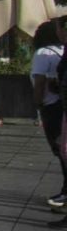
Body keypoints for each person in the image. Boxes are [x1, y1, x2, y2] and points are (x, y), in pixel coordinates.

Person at [33, 19, 66, 210]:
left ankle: (65, 190)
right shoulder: (62, 51)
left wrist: (38, 104)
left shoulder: (43, 53)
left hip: (51, 105)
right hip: (62, 103)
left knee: (60, 149)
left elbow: (39, 81)